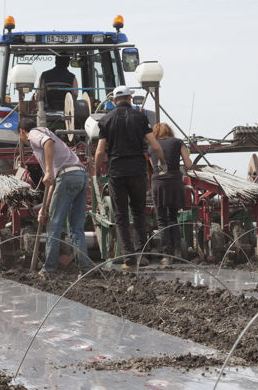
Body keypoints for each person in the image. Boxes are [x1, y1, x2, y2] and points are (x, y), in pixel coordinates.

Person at [93, 86, 166, 270]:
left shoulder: (106, 120)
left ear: (114, 100)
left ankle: (129, 260)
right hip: (137, 171)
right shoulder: (140, 118)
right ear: (129, 98)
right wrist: (162, 163)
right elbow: (155, 146)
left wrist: (97, 171)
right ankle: (141, 255)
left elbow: (100, 150)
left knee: (121, 216)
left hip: (117, 171)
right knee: (139, 213)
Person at [18, 118, 93, 276]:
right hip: (81, 176)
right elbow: (51, 183)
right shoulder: (48, 133)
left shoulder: (34, 134)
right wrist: (44, 209)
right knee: (76, 228)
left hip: (66, 177)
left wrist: (48, 172)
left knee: (54, 226)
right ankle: (86, 268)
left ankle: (49, 269)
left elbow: (47, 143)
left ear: (21, 132)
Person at [148, 122, 194, 265]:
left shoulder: (151, 147)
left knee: (162, 220)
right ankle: (178, 252)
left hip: (158, 184)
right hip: (174, 182)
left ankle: (167, 255)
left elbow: (153, 167)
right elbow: (188, 165)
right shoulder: (178, 142)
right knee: (173, 217)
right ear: (169, 131)